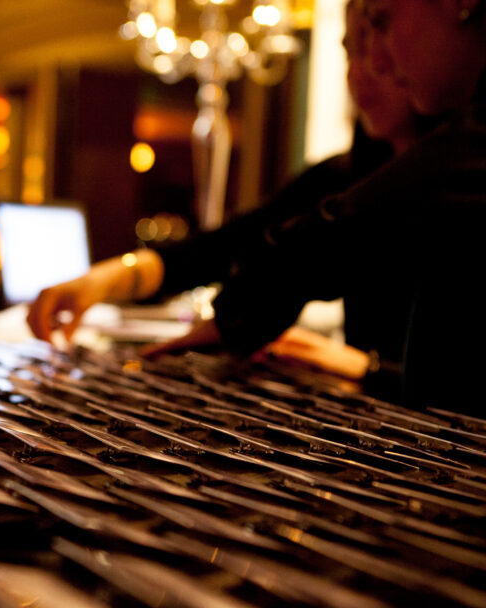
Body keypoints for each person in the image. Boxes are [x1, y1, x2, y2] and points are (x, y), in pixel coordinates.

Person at [144, 0, 486, 416]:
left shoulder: (450, 168)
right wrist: (125, 273)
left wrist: (369, 368)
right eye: (350, 51)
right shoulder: (354, 172)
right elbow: (235, 241)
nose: (371, 65)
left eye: (382, 23)